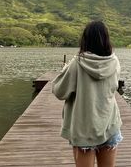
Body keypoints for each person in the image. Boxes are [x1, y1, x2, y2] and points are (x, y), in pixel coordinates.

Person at [52, 21, 123, 167]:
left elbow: (59, 91)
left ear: (85, 39)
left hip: (84, 129)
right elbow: (113, 86)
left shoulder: (77, 63)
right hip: (109, 124)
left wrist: (65, 71)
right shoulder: (114, 61)